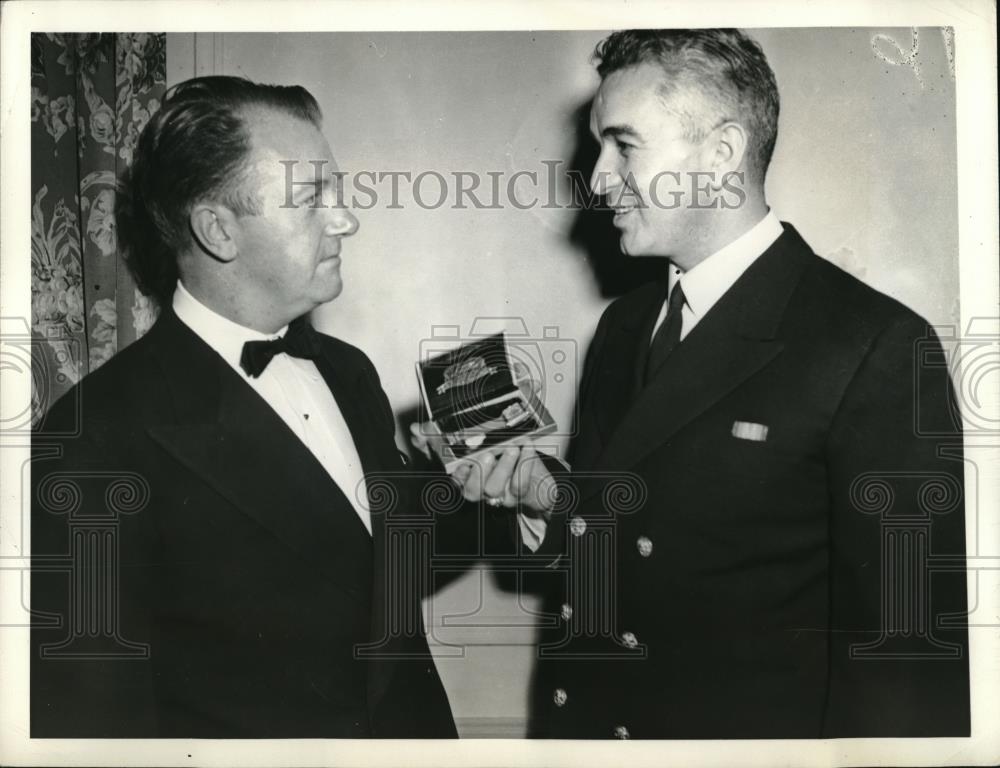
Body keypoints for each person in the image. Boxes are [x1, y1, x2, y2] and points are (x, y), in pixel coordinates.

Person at [443, 29, 970, 738]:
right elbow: (630, 540)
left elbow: (903, 662)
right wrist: (544, 495)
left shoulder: (874, 344)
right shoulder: (627, 325)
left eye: (624, 146)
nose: (597, 179)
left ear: (721, 154)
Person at [31, 76, 457, 738]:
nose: (347, 219)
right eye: (313, 198)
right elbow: (95, 720)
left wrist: (488, 493)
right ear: (218, 230)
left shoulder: (348, 372)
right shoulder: (96, 437)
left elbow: (379, 578)